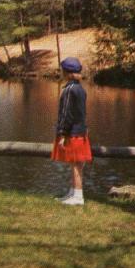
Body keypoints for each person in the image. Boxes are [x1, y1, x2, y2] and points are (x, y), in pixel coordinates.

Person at [51, 57, 92, 205]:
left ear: (67, 73)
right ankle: (72, 193)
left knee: (75, 164)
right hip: (81, 130)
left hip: (72, 132)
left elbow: (66, 114)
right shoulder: (81, 89)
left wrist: (62, 133)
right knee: (76, 164)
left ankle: (78, 196)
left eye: (63, 70)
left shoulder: (69, 90)